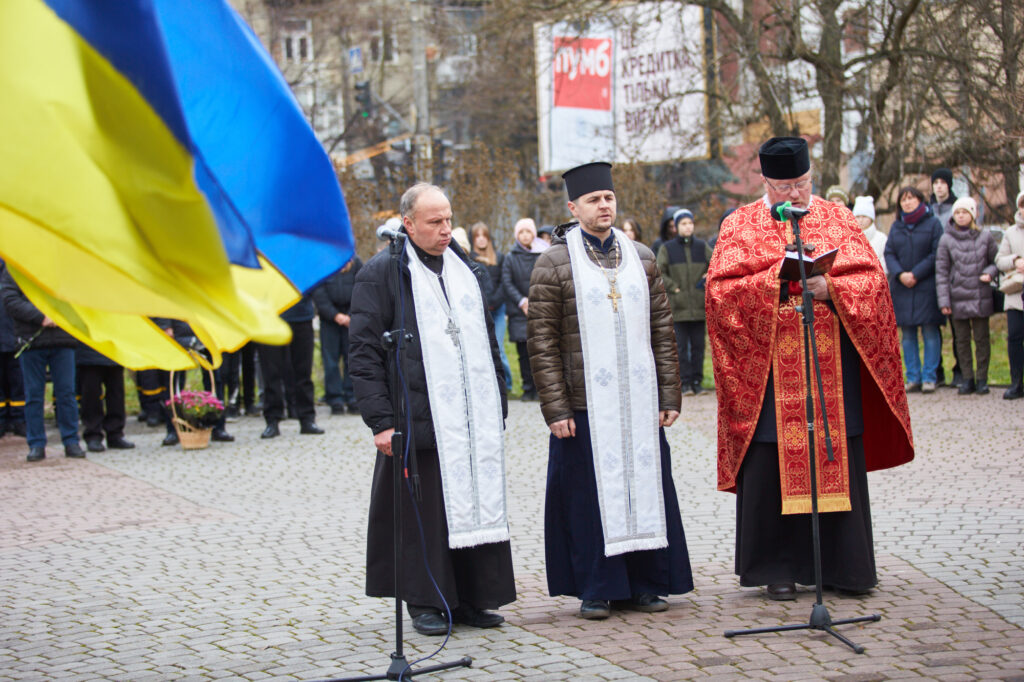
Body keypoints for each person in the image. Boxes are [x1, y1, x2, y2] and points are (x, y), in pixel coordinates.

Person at [706, 137, 913, 601]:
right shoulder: (740, 225)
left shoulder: (837, 218)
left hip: (831, 369)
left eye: (801, 183)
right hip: (769, 372)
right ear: (765, 181)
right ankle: (777, 569)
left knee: (834, 454)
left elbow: (873, 282)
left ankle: (844, 566)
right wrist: (773, 284)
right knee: (772, 461)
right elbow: (720, 294)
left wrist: (828, 288)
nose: (795, 194)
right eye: (784, 186)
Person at [527, 162, 693, 620]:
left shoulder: (640, 255)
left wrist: (668, 393)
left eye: (609, 198)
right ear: (573, 207)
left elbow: (662, 328)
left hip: (638, 401)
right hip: (583, 405)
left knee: (645, 488)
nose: (604, 206)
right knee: (586, 498)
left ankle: (645, 582)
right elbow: (542, 343)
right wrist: (555, 407)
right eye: (594, 200)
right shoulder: (553, 263)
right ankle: (595, 587)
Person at [350, 183, 514, 636]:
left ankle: (473, 598)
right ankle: (425, 601)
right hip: (415, 416)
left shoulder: (464, 268)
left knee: (471, 501)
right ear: (408, 224)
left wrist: (497, 393)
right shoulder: (382, 272)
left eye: (448, 219)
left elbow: (484, 338)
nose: (445, 230)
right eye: (434, 222)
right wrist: (380, 421)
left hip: (469, 413)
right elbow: (362, 353)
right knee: (424, 511)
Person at [1, 264, 85, 462]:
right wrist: (41, 317)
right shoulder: (16, 268)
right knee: (33, 396)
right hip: (31, 341)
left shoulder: (61, 266)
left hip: (63, 340)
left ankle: (71, 441)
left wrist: (59, 315)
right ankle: (37, 444)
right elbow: (11, 299)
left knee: (66, 393)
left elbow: (77, 295)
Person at [884, 186, 946, 393]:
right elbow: (889, 253)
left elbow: (936, 253)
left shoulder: (933, 224)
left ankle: (930, 376)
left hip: (926, 285)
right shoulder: (896, 226)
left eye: (911, 198)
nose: (907, 203)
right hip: (902, 287)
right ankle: (913, 377)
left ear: (920, 200)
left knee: (930, 331)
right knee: (908, 334)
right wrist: (900, 274)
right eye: (903, 200)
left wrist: (916, 274)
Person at [936, 197, 998, 396]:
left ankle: (982, 379)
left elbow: (996, 261)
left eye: (964, 212)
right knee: (961, 340)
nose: (960, 215)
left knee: (982, 339)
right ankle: (967, 378)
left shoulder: (985, 237)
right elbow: (942, 272)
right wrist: (944, 301)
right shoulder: (946, 239)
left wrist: (990, 272)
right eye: (957, 212)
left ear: (972, 214)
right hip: (957, 297)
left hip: (980, 294)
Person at [657, 208, 713, 396]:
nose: (688, 227)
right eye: (683, 223)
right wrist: (674, 288)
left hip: (698, 304)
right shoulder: (668, 248)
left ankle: (698, 381)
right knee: (681, 347)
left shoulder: (701, 246)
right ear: (676, 226)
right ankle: (686, 383)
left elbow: (715, 263)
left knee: (698, 346)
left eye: (690, 223)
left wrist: (706, 278)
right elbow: (660, 271)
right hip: (678, 306)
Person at [257, 296, 323, 438]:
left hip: (301, 316)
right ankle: (272, 420)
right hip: (270, 318)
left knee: (303, 371)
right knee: (270, 372)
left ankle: (307, 419)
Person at [311, 255, 363, 415]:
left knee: (352, 360)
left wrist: (350, 315)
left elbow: (361, 287)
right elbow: (319, 293)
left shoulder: (355, 262)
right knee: (331, 362)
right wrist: (335, 315)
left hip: (351, 319)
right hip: (329, 321)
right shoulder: (322, 262)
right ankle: (335, 399)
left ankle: (353, 398)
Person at [470, 222, 513, 391]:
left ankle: (507, 384)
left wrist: (495, 301)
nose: (481, 240)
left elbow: (505, 282)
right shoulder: (471, 259)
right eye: (477, 236)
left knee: (499, 348)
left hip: (499, 308)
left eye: (484, 236)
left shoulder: (500, 258)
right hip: (481, 310)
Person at [502, 218, 541, 400]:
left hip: (539, 309)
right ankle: (527, 388)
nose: (525, 235)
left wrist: (535, 300)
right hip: (519, 313)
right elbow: (507, 281)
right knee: (523, 353)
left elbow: (544, 279)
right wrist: (521, 301)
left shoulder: (541, 255)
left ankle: (539, 388)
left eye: (528, 232)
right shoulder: (510, 257)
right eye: (522, 232)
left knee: (539, 352)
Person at [931, 167, 960, 387]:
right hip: (933, 272)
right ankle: (937, 368)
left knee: (958, 326)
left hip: (955, 270)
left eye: (943, 182)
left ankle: (960, 369)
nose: (939, 186)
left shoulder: (957, 208)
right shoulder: (928, 209)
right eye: (936, 182)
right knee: (934, 325)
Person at [76, 345, 135, 452]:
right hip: (89, 353)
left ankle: (115, 434)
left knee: (116, 394)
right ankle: (93, 435)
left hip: (114, 351)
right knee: (91, 396)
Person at [996, 191, 1024, 400]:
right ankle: (1016, 382)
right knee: (1014, 338)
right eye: (1022, 205)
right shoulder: (1010, 233)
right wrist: (1015, 261)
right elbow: (999, 260)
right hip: (1016, 294)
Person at [0, 263, 26, 439]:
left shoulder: (13, 267)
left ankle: (20, 420)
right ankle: (2, 420)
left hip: (14, 335)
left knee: (18, 381)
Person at [852, 195, 887, 274]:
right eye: (857, 217)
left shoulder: (881, 238)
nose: (860, 220)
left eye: (864, 217)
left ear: (871, 218)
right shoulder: (849, 239)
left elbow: (884, 265)